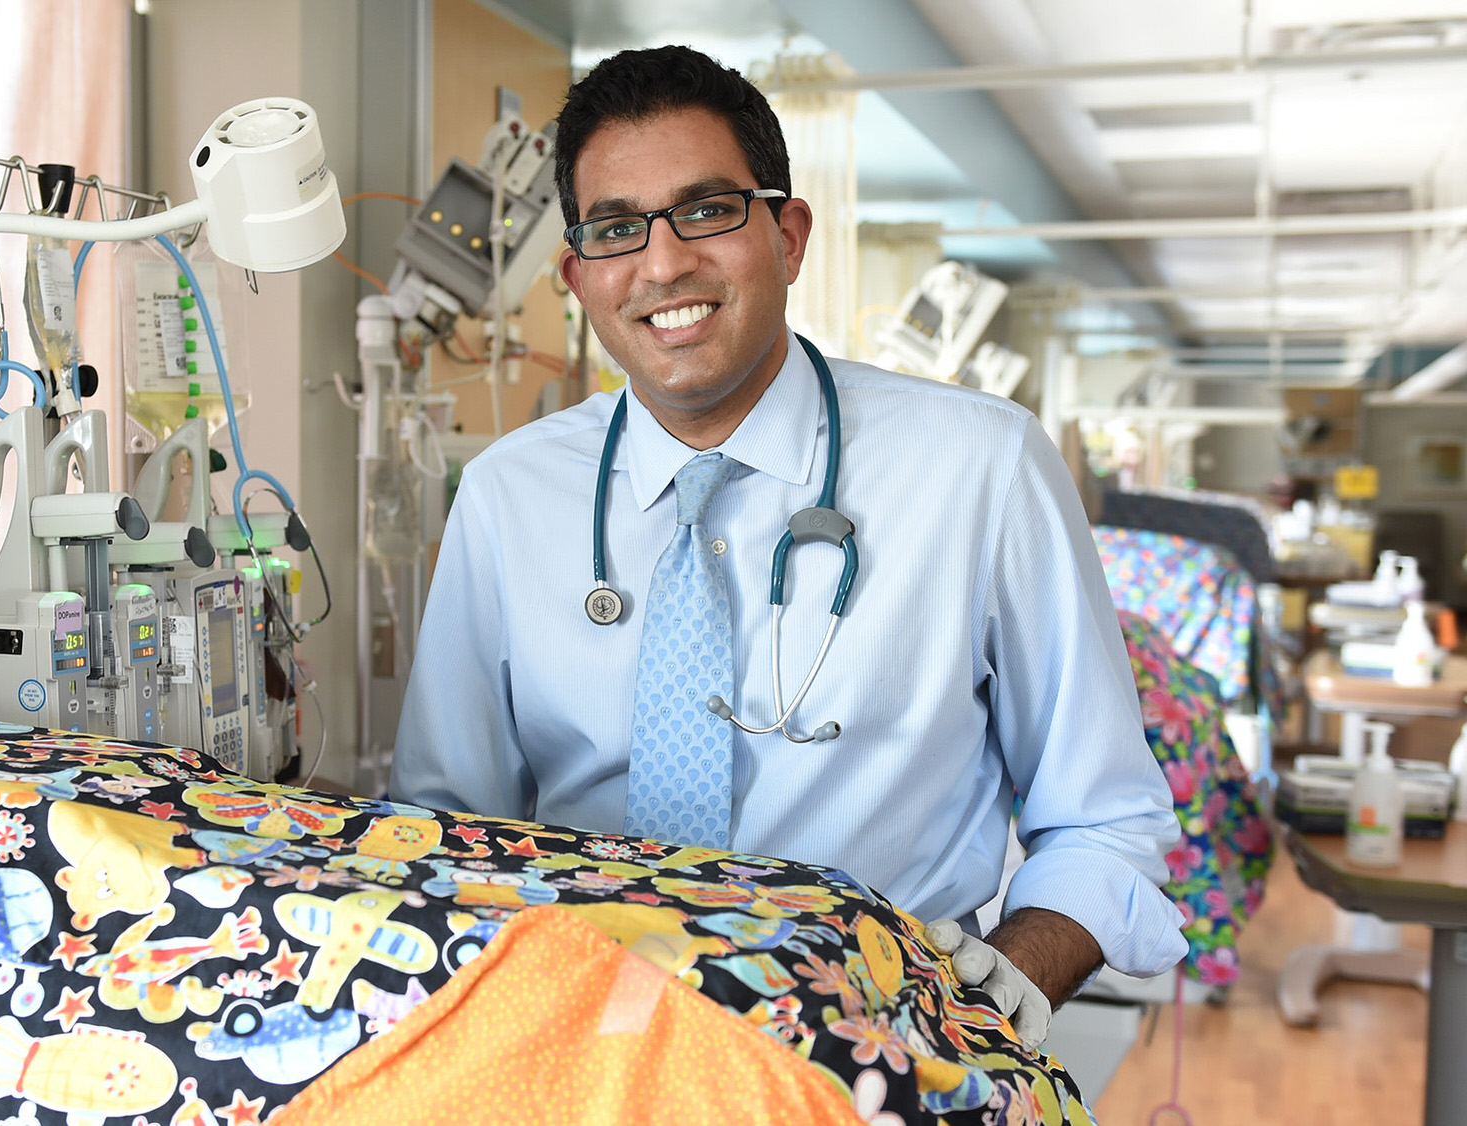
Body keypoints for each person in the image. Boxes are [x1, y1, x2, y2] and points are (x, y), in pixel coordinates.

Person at [390, 44, 1186, 1039]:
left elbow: (1104, 818)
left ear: (788, 234)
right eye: (615, 228)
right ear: (576, 275)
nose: (663, 260)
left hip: (880, 1043)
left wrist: (993, 998)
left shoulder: (979, 469)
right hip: (586, 1041)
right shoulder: (507, 496)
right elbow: (441, 832)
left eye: (707, 209)